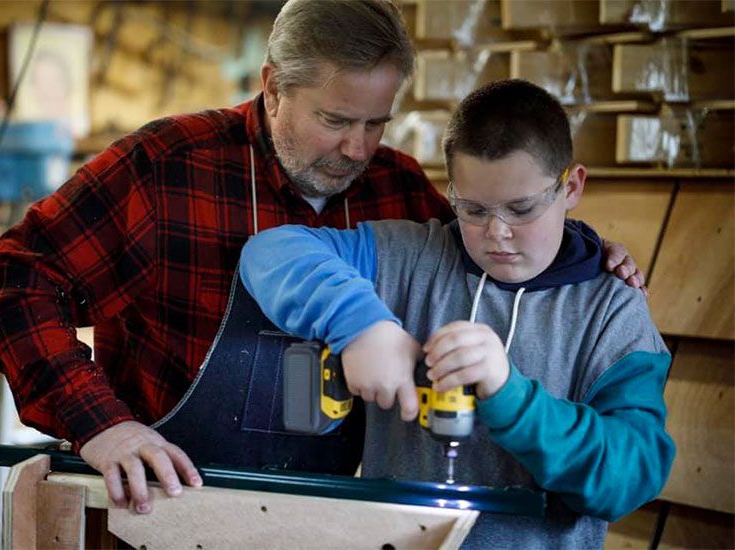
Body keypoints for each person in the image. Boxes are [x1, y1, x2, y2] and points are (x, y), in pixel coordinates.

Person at [0, 0, 646, 515]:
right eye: (334, 120)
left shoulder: (397, 191)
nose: (357, 149)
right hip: (159, 510)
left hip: (327, 523)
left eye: (375, 122)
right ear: (273, 86)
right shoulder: (165, 169)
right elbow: (12, 280)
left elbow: (496, 242)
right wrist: (103, 427)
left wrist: (583, 253)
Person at [239, 79, 673, 547]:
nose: (497, 233)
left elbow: (632, 476)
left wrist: (511, 396)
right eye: (473, 209)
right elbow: (271, 251)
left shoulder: (613, 311)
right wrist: (362, 324)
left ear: (571, 187)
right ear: (452, 192)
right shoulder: (409, 257)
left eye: (521, 209)